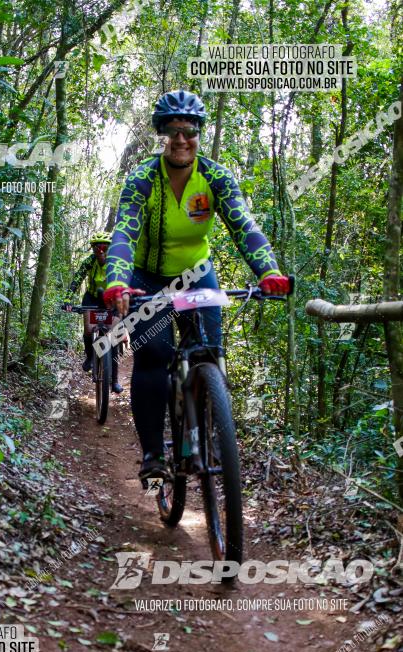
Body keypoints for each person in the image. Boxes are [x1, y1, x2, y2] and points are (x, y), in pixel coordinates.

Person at [102, 89, 290, 482]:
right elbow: (124, 232)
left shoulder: (216, 177)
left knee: (208, 351)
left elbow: (245, 227)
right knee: (153, 356)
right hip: (146, 279)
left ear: (199, 133)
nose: (182, 139)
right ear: (161, 134)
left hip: (195, 275)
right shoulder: (142, 179)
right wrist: (117, 281)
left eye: (189, 130)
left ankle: (209, 428)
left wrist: (267, 271)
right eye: (173, 131)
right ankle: (154, 453)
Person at [68, 232, 122, 393]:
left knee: (114, 337)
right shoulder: (89, 262)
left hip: (112, 299)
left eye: (105, 247)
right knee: (89, 328)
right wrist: (67, 300)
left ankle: (115, 381)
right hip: (91, 298)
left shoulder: (116, 263)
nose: (101, 251)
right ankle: (90, 356)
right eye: (97, 248)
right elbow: (77, 280)